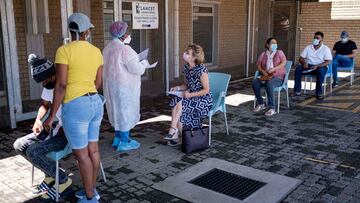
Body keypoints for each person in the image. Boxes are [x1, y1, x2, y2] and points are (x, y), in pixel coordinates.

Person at [43, 13, 104, 203]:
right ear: (87, 31)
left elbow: (61, 85)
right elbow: (98, 82)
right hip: (95, 103)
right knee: (93, 151)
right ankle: (91, 191)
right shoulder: (96, 51)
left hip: (76, 106)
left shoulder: (64, 50)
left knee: (81, 154)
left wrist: (51, 116)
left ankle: (89, 197)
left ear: (71, 30)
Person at [13, 54, 71, 201]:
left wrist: (57, 127)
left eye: (46, 79)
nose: (44, 83)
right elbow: (45, 105)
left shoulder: (67, 86)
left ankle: (63, 179)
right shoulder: (47, 87)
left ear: (53, 73)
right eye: (41, 82)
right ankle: (51, 175)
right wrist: (38, 120)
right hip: (54, 129)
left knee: (33, 151)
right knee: (19, 144)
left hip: (68, 134)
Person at [103, 21, 150, 152]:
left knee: (115, 112)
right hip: (124, 88)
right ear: (122, 35)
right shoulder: (125, 50)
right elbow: (136, 69)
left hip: (111, 87)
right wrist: (144, 64)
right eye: (127, 32)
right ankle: (124, 141)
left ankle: (117, 138)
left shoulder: (107, 48)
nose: (129, 34)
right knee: (125, 113)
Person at [164, 44, 213, 145]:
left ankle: (174, 131)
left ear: (194, 57)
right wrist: (177, 88)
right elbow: (186, 85)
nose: (185, 54)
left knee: (180, 104)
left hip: (203, 99)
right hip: (190, 96)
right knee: (176, 100)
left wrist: (190, 95)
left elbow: (206, 90)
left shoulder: (201, 69)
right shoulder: (187, 67)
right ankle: (176, 134)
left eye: (187, 53)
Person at [252, 37, 287, 116]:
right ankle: (261, 103)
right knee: (255, 82)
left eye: (276, 43)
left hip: (278, 76)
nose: (275, 45)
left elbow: (284, 62)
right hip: (266, 76)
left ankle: (272, 108)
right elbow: (258, 65)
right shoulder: (263, 54)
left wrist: (274, 69)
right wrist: (263, 71)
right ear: (267, 45)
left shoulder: (279, 52)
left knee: (269, 84)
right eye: (272, 43)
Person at [293, 31, 332, 100]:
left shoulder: (325, 49)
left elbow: (328, 61)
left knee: (321, 71)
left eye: (317, 38)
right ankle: (297, 91)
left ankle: (318, 93)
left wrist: (318, 66)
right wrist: (304, 63)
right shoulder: (308, 47)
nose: (315, 39)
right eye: (314, 38)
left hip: (320, 66)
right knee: (298, 68)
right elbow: (301, 58)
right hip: (309, 66)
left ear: (322, 39)